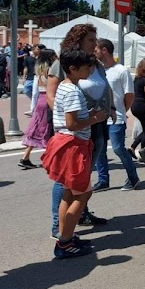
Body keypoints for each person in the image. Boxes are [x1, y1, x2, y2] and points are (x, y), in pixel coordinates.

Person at [41, 48, 107, 259]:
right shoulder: (73, 91)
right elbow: (72, 123)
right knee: (82, 194)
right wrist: (94, 119)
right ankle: (65, 241)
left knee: (69, 194)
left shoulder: (64, 86)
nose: (90, 71)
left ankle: (65, 235)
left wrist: (87, 115)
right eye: (87, 67)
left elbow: (68, 118)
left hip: (66, 142)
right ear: (72, 68)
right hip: (73, 144)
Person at [95, 39, 140, 191]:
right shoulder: (97, 70)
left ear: (104, 50)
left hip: (117, 117)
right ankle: (103, 180)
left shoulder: (121, 70)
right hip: (100, 117)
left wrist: (122, 110)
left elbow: (129, 94)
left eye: (96, 49)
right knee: (99, 149)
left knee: (118, 148)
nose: (94, 52)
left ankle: (133, 177)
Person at [19, 49, 57, 169]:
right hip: (47, 98)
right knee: (47, 129)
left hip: (40, 99)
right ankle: (50, 158)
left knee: (37, 129)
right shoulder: (50, 70)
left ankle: (26, 157)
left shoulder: (39, 69)